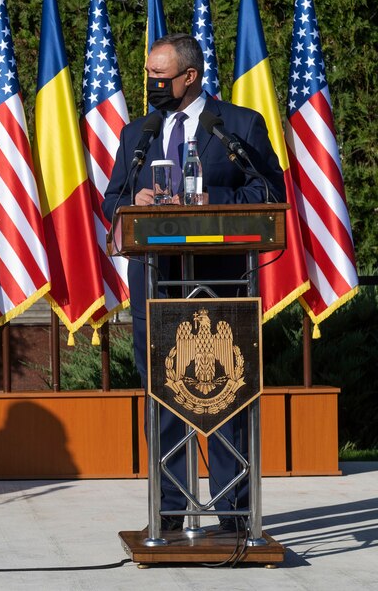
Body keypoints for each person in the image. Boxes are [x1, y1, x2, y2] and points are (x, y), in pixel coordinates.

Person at [102, 33, 285, 533]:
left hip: (220, 285)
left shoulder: (238, 125)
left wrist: (209, 198)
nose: (153, 85)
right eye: (149, 76)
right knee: (162, 397)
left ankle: (233, 517)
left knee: (224, 396)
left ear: (191, 77)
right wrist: (131, 201)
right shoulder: (137, 131)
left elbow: (268, 190)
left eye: (161, 77)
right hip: (155, 286)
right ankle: (169, 515)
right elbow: (110, 199)